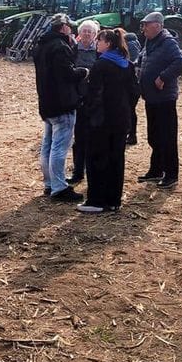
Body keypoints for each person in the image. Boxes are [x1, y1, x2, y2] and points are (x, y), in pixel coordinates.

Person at [77, 28, 138, 213]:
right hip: (121, 120)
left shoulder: (101, 65)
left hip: (101, 121)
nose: (97, 43)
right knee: (116, 159)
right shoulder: (127, 65)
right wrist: (126, 109)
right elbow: (135, 92)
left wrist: (90, 112)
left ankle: (96, 200)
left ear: (108, 44)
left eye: (100, 41)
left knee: (97, 159)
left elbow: (94, 94)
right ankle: (113, 200)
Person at [33, 14, 90, 202]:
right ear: (63, 27)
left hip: (46, 101)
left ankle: (50, 183)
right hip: (62, 102)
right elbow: (67, 74)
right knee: (59, 147)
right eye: (69, 27)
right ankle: (59, 187)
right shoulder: (60, 47)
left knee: (47, 146)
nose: (71, 30)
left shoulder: (41, 45)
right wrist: (83, 71)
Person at [136, 12, 182, 189]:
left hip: (164, 98)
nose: (143, 28)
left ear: (157, 26)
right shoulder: (149, 42)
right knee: (154, 136)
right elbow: (142, 59)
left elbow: (181, 62)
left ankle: (171, 175)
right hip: (151, 97)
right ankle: (156, 170)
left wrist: (163, 77)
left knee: (167, 137)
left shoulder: (168, 42)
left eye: (146, 25)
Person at [67, 20, 100, 185]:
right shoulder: (72, 51)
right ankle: (78, 171)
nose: (87, 34)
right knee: (79, 138)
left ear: (95, 35)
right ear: (79, 33)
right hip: (78, 99)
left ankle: (93, 171)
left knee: (95, 138)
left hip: (95, 101)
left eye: (90, 31)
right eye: (84, 31)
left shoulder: (100, 52)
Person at [124, 31, 142, 146]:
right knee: (131, 110)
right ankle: (131, 134)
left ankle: (131, 134)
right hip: (135, 84)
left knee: (130, 110)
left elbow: (132, 63)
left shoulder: (130, 45)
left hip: (132, 83)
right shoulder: (137, 44)